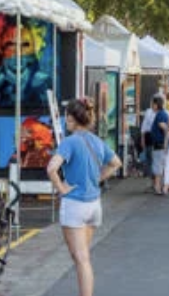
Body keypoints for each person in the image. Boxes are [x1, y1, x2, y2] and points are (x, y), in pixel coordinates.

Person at [46, 98, 122, 296]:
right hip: (94, 205)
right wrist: (97, 179)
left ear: (71, 118)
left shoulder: (69, 142)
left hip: (75, 205)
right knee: (82, 257)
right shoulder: (97, 141)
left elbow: (51, 168)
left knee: (81, 260)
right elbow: (116, 163)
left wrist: (61, 188)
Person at [148, 94, 169, 195]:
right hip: (160, 144)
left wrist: (166, 141)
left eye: (152, 104)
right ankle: (160, 186)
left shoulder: (160, 114)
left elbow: (164, 127)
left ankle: (157, 187)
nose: (151, 106)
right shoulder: (162, 113)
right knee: (160, 165)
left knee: (158, 166)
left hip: (159, 144)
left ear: (156, 105)